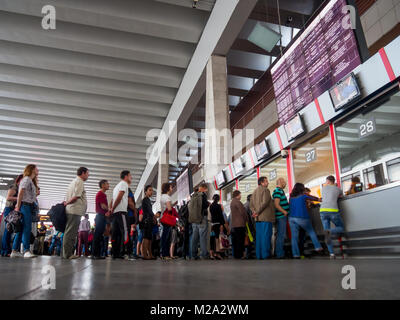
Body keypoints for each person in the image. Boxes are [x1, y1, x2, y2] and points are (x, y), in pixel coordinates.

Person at [11, 164, 39, 259]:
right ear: (31, 170)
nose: (38, 170)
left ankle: (14, 250)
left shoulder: (29, 180)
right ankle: (26, 251)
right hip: (25, 206)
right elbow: (21, 193)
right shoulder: (26, 179)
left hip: (27, 206)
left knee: (21, 229)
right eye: (36, 168)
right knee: (27, 228)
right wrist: (18, 207)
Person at [289, 183, 324, 259]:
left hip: (292, 218)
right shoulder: (303, 195)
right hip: (302, 217)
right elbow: (312, 197)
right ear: (302, 188)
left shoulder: (291, 197)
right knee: (311, 231)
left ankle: (296, 254)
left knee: (294, 237)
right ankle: (318, 247)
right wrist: (319, 199)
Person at [62, 167, 89, 260]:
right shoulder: (80, 181)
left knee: (69, 232)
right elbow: (76, 197)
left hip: (72, 210)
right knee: (70, 233)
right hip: (74, 210)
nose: (88, 175)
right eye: (87, 173)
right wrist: (67, 203)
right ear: (83, 173)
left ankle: (66, 253)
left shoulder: (73, 182)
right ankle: (68, 254)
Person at [250, 177, 275, 260]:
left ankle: (259, 255)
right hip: (265, 217)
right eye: (266, 181)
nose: (268, 183)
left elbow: (251, 205)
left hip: (257, 219)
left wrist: (254, 212)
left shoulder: (254, 192)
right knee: (266, 236)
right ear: (261, 183)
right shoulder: (266, 190)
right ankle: (265, 255)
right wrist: (257, 212)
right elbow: (265, 203)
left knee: (259, 237)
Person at [320, 175, 345, 259]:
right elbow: (341, 196)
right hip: (333, 211)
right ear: (333, 181)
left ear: (328, 181)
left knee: (327, 235)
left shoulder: (323, 188)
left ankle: (332, 254)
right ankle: (329, 231)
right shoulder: (338, 189)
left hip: (322, 211)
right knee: (341, 227)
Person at [110, 171, 131, 260]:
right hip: (121, 211)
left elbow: (112, 199)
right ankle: (126, 252)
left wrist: (111, 209)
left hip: (115, 213)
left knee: (115, 233)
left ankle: (115, 253)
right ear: (125, 176)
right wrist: (113, 208)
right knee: (126, 231)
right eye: (130, 176)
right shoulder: (124, 184)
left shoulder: (116, 187)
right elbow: (119, 197)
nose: (131, 178)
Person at [1, 174, 23, 257]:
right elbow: (8, 197)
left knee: (10, 231)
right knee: (8, 230)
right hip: (9, 209)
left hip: (12, 210)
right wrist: (20, 198)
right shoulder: (14, 187)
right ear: (19, 180)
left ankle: (7, 251)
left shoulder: (19, 188)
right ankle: (5, 251)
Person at [190, 183, 210, 260]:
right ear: (204, 188)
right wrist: (208, 203)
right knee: (202, 237)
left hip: (194, 219)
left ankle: (193, 254)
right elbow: (204, 205)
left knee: (194, 237)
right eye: (206, 189)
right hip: (201, 218)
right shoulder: (202, 195)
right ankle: (204, 254)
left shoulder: (193, 195)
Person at [92, 180, 110, 260]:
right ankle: (95, 254)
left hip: (101, 216)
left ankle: (96, 254)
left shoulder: (102, 194)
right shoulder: (101, 194)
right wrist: (109, 210)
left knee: (99, 236)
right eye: (107, 184)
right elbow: (103, 206)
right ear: (102, 185)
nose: (108, 185)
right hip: (100, 216)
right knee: (98, 236)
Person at [272, 178, 289, 259]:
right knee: (280, 235)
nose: (285, 183)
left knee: (280, 235)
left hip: (281, 216)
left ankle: (279, 252)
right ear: (281, 182)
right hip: (281, 216)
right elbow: (276, 204)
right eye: (285, 182)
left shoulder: (279, 191)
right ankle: (279, 254)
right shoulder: (277, 191)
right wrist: (284, 212)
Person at [230, 190, 248, 259]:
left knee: (236, 240)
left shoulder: (232, 202)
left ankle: (237, 255)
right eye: (240, 195)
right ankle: (241, 255)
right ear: (237, 195)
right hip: (240, 224)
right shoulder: (238, 202)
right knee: (240, 240)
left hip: (234, 224)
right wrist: (246, 220)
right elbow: (243, 212)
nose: (241, 196)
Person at [160, 182, 174, 260]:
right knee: (166, 237)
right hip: (167, 219)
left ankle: (165, 254)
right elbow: (169, 209)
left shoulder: (163, 196)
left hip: (163, 218)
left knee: (165, 236)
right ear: (168, 188)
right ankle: (165, 254)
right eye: (171, 187)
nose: (172, 188)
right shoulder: (167, 197)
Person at [209, 194, 225, 260]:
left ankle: (212, 254)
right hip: (218, 224)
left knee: (212, 239)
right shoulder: (218, 206)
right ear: (218, 199)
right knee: (217, 239)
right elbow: (221, 216)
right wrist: (222, 224)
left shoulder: (211, 206)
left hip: (212, 225)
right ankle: (217, 254)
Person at [141, 185, 155, 260]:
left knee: (149, 238)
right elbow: (149, 211)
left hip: (149, 220)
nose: (151, 191)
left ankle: (150, 254)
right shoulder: (145, 199)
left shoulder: (148, 200)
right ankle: (144, 254)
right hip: (146, 220)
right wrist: (154, 216)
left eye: (152, 190)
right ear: (145, 191)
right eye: (150, 190)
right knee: (146, 238)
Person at [126, 187, 137, 260]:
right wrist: (135, 210)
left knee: (126, 234)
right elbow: (130, 203)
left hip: (126, 215)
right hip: (129, 215)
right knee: (127, 235)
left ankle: (126, 252)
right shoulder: (128, 192)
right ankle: (128, 253)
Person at [243, 194, 255, 259]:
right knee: (250, 240)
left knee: (247, 239)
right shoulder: (250, 205)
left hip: (245, 225)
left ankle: (247, 254)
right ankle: (249, 254)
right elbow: (251, 217)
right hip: (249, 225)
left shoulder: (244, 204)